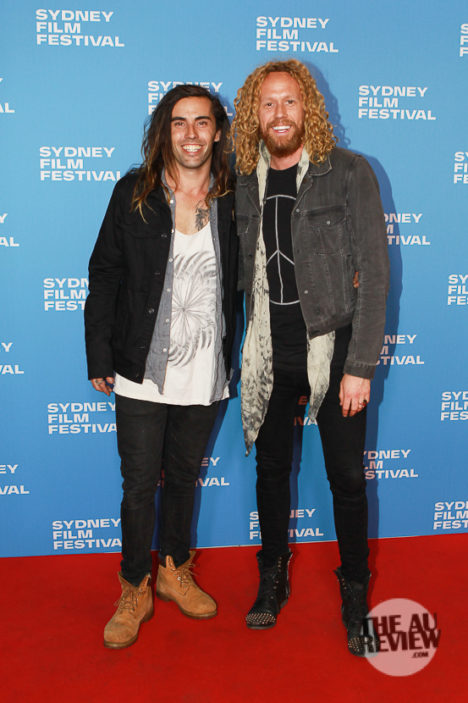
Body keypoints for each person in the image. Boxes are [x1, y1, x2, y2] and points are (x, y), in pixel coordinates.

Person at [232, 59, 389, 655]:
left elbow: (375, 276)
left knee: (346, 477)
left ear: (309, 109)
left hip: (334, 344)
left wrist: (360, 367)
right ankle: (272, 576)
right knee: (271, 471)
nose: (280, 114)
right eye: (268, 103)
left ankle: (355, 590)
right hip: (268, 349)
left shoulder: (347, 172)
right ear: (255, 114)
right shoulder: (242, 180)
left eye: (290, 101)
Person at [84, 85, 238, 649]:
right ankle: (134, 586)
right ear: (164, 131)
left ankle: (174, 570)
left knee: (183, 478)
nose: (191, 134)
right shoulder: (135, 192)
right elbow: (105, 273)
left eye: (202, 122)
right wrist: (99, 352)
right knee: (139, 484)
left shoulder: (235, 196)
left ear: (217, 131)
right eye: (179, 122)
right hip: (141, 369)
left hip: (205, 369)